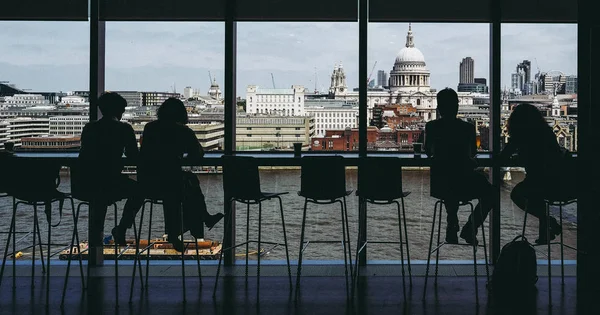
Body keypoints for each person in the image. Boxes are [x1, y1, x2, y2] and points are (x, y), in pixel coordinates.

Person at [138, 98, 223, 251]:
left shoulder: (150, 127)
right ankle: (198, 222)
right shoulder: (183, 131)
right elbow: (198, 155)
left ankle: (184, 228)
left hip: (147, 183)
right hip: (171, 185)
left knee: (184, 184)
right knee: (188, 182)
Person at [424, 88, 493, 244]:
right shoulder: (467, 128)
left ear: (439, 108)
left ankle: (452, 222)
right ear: (457, 106)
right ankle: (470, 227)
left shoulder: (432, 127)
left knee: (449, 181)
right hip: (464, 182)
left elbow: (428, 151)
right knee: (491, 193)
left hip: (440, 185)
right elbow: (473, 153)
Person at [78, 92, 144, 246]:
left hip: (85, 183)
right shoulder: (124, 129)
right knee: (140, 192)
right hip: (111, 182)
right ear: (119, 111)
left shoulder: (89, 127)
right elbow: (133, 156)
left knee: (98, 201)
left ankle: (95, 242)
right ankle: (121, 228)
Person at [500, 103, 568, 244]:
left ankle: (549, 221)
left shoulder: (520, 135)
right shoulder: (546, 132)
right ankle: (545, 233)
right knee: (537, 195)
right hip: (559, 184)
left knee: (517, 195)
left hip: (537, 182)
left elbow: (503, 157)